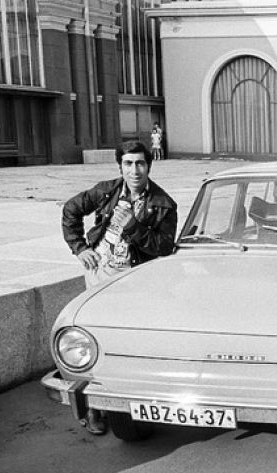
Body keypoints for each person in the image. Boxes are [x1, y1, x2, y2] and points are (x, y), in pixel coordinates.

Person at [61, 139, 178, 435]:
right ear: (120, 166)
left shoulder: (163, 204)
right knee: (95, 342)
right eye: (128, 163)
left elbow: (164, 249)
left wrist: (132, 227)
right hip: (100, 275)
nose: (134, 170)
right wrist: (80, 248)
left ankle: (135, 407)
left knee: (129, 344)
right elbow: (71, 210)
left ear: (148, 166)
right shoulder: (106, 191)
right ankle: (94, 409)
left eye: (140, 163)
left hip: (135, 281)